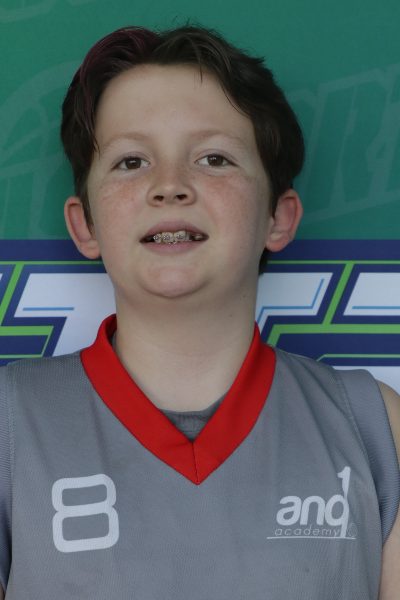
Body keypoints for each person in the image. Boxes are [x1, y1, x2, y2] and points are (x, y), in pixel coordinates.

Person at [0, 24, 399, 599]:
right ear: (84, 225)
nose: (170, 186)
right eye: (131, 161)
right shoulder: (10, 424)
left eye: (214, 158)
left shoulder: (375, 428)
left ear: (278, 217)